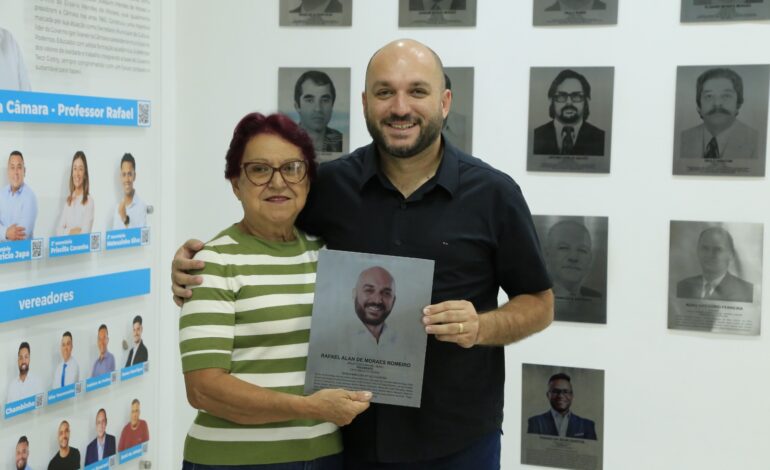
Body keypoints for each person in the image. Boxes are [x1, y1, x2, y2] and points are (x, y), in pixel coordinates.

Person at [173, 39, 553, 468]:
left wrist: (481, 327)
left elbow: (539, 303)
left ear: (445, 101)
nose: (400, 107)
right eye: (385, 92)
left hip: (458, 440)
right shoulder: (329, 188)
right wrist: (191, 265)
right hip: (350, 442)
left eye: (418, 91)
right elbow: (268, 239)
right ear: (365, 102)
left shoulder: (493, 194)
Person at [178, 112, 371, 468]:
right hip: (234, 461)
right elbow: (203, 389)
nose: (278, 182)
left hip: (325, 457)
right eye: (259, 170)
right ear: (236, 182)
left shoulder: (328, 257)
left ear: (308, 180)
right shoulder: (212, 263)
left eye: (292, 168)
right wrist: (310, 408)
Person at [679, 68, 757, 160]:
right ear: (699, 106)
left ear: (738, 104)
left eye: (726, 96)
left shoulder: (757, 141)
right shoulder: (682, 139)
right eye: (709, 96)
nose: (717, 103)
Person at [533, 69, 605, 156]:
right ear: (551, 100)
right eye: (561, 96)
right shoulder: (535, 136)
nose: (569, 102)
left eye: (577, 96)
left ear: (586, 101)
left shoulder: (601, 138)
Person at [677, 227, 753, 302]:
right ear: (698, 251)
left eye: (718, 249)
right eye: (705, 248)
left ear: (731, 255)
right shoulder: (683, 287)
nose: (710, 255)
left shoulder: (746, 291)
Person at [527, 373, 597, 440]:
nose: (560, 396)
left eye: (565, 391)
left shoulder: (587, 426)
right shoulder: (535, 422)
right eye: (555, 391)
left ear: (572, 396)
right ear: (548, 395)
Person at [544, 220, 600, 298]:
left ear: (590, 259)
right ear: (547, 254)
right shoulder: (530, 297)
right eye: (564, 248)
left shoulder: (597, 298)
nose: (573, 257)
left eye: (582, 250)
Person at [294, 70, 344, 153]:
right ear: (297, 106)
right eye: (309, 100)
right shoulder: (286, 141)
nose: (318, 108)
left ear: (332, 105)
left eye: (325, 100)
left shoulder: (340, 140)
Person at [352, 266, 397, 344]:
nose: (377, 301)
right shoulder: (334, 339)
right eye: (369, 290)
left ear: (393, 300)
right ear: (354, 294)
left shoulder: (401, 342)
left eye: (386, 293)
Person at [1, 150, 37, 242]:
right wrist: (6, 233)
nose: (16, 172)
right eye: (12, 168)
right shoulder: (1, 194)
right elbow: (10, 235)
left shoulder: (30, 197)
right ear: (8, 171)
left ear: (24, 171)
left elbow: (22, 235)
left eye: (19, 167)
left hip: (23, 253)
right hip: (3, 253)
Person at [55, 151, 94, 236]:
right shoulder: (69, 201)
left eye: (80, 169)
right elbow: (58, 231)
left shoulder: (89, 201)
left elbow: (84, 234)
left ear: (85, 174)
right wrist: (72, 231)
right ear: (72, 172)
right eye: (75, 168)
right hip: (67, 248)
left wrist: (65, 231)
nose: (77, 174)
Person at [111, 153, 147, 230]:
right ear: (121, 177)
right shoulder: (118, 208)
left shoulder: (142, 207)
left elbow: (142, 240)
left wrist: (125, 219)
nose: (127, 179)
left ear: (134, 176)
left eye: (130, 174)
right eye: (124, 174)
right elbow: (114, 240)